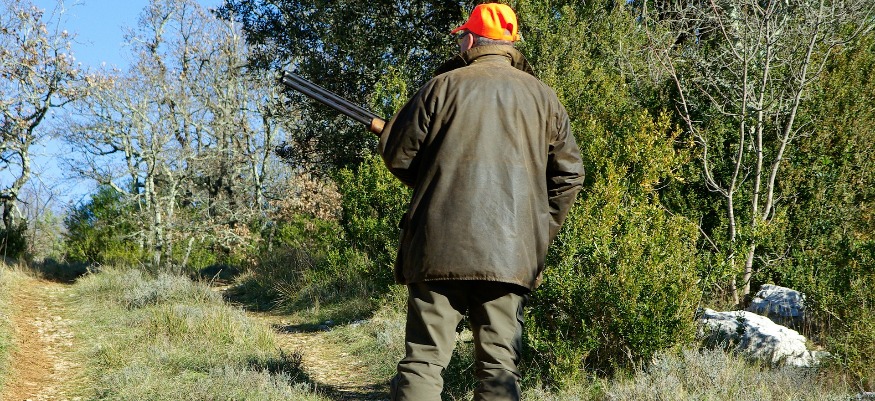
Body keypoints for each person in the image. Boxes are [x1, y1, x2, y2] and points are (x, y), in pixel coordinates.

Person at [378, 3, 585, 400]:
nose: (460, 44)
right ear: (510, 44)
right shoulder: (544, 97)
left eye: (462, 37)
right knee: (499, 369)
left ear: (471, 39)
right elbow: (570, 176)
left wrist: (434, 178)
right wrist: (538, 230)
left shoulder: (441, 87)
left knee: (424, 362)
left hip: (438, 248)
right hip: (512, 255)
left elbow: (400, 156)